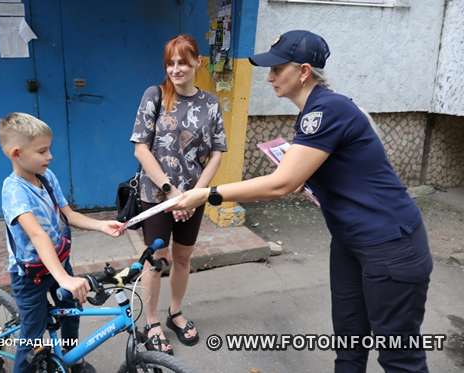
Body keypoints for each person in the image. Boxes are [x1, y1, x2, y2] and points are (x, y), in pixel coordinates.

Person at [171, 30, 433, 372]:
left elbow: (282, 184)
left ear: (304, 71)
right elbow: (321, 176)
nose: (270, 77)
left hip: (390, 245)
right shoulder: (316, 111)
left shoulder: (327, 109)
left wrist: (210, 194)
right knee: (349, 344)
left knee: (400, 358)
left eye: (278, 69)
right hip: (350, 242)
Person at [0, 112, 124, 373]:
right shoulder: (14, 190)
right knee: (32, 334)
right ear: (16, 153)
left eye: (50, 149)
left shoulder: (46, 177)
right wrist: (64, 279)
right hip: (30, 275)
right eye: (42, 151)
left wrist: (102, 225)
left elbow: (69, 215)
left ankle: (71, 354)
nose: (50, 156)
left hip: (58, 262)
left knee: (71, 309)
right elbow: (37, 235)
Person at [130, 34, 227, 354]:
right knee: (157, 259)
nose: (175, 69)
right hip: (158, 195)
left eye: (183, 62)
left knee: (183, 257)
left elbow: (216, 152)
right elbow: (141, 149)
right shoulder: (155, 95)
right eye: (170, 63)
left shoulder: (210, 103)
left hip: (193, 197)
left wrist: (197, 194)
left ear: (197, 62)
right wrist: (173, 193)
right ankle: (152, 321)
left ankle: (175, 312)